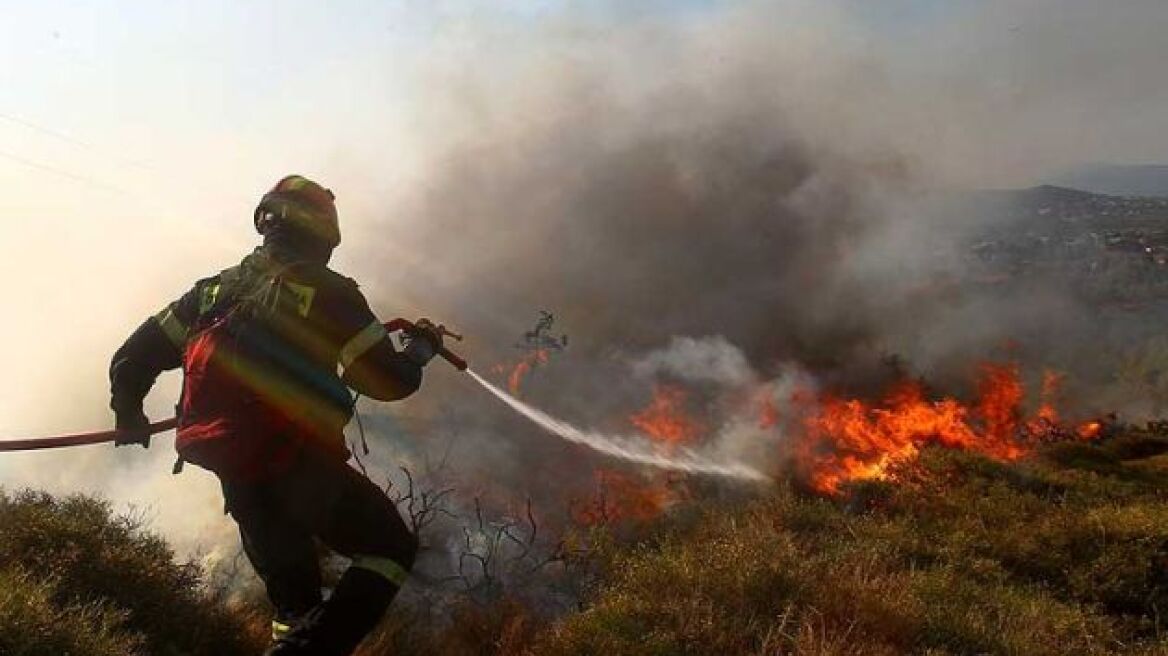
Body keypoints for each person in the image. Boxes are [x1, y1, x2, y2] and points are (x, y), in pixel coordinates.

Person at [109, 174, 440, 655]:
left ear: (267, 222)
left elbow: (133, 357)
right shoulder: (329, 293)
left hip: (237, 473)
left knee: (295, 613)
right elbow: (387, 382)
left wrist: (128, 412)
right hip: (299, 465)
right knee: (389, 549)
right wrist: (418, 352)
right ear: (325, 234)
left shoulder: (213, 292)